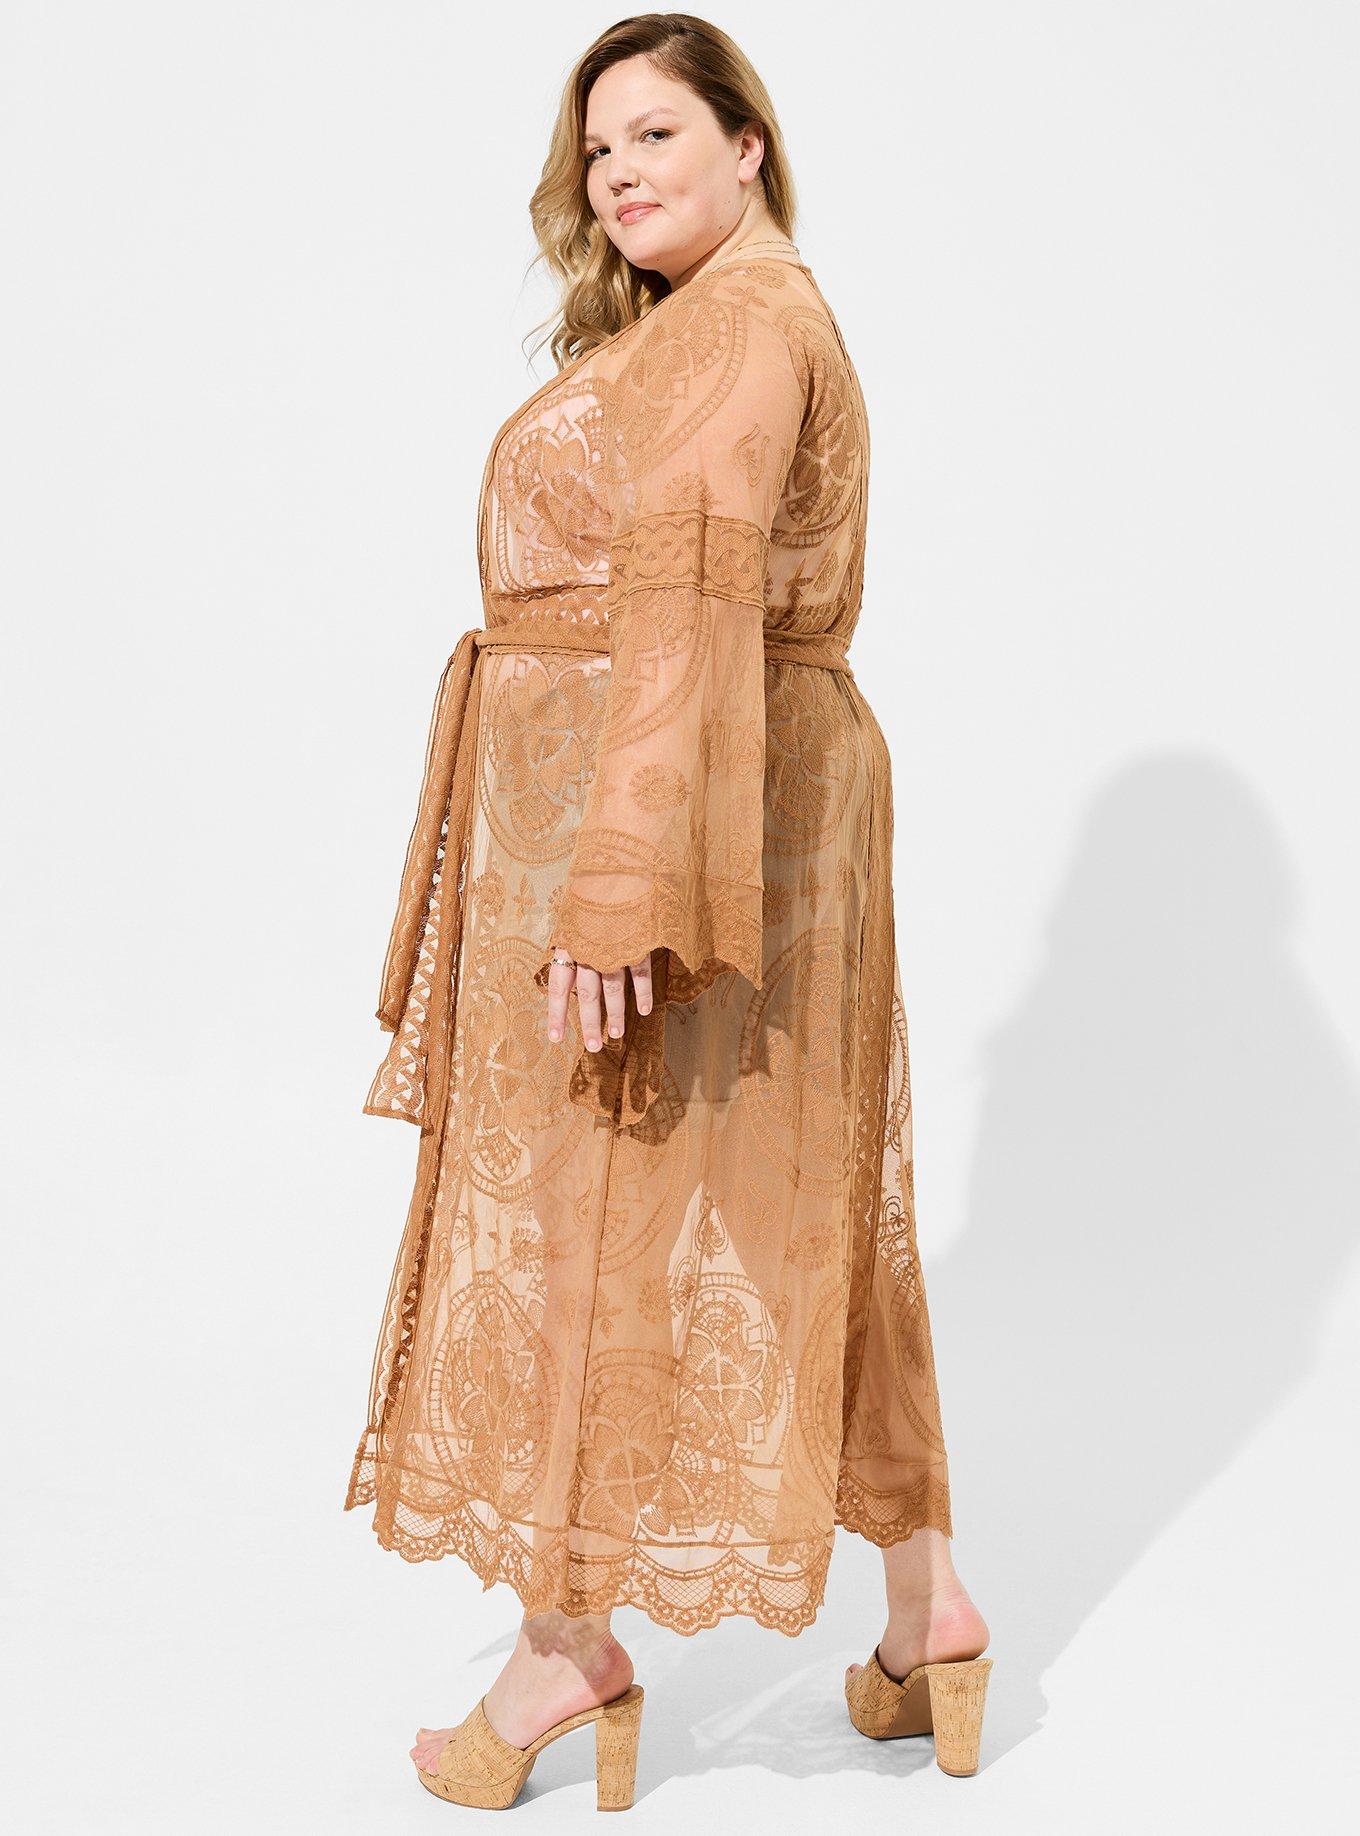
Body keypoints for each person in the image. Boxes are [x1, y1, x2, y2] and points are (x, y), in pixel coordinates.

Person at [345, 13, 991, 1809]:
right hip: (732, 801)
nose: (619, 172)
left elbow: (691, 597)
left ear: (746, 143)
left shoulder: (743, 325)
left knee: (602, 1202)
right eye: (598, 149)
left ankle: (565, 1652)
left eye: (655, 133)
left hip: (678, 828)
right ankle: (929, 1611)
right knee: (797, 1210)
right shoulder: (719, 318)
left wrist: (619, 887)